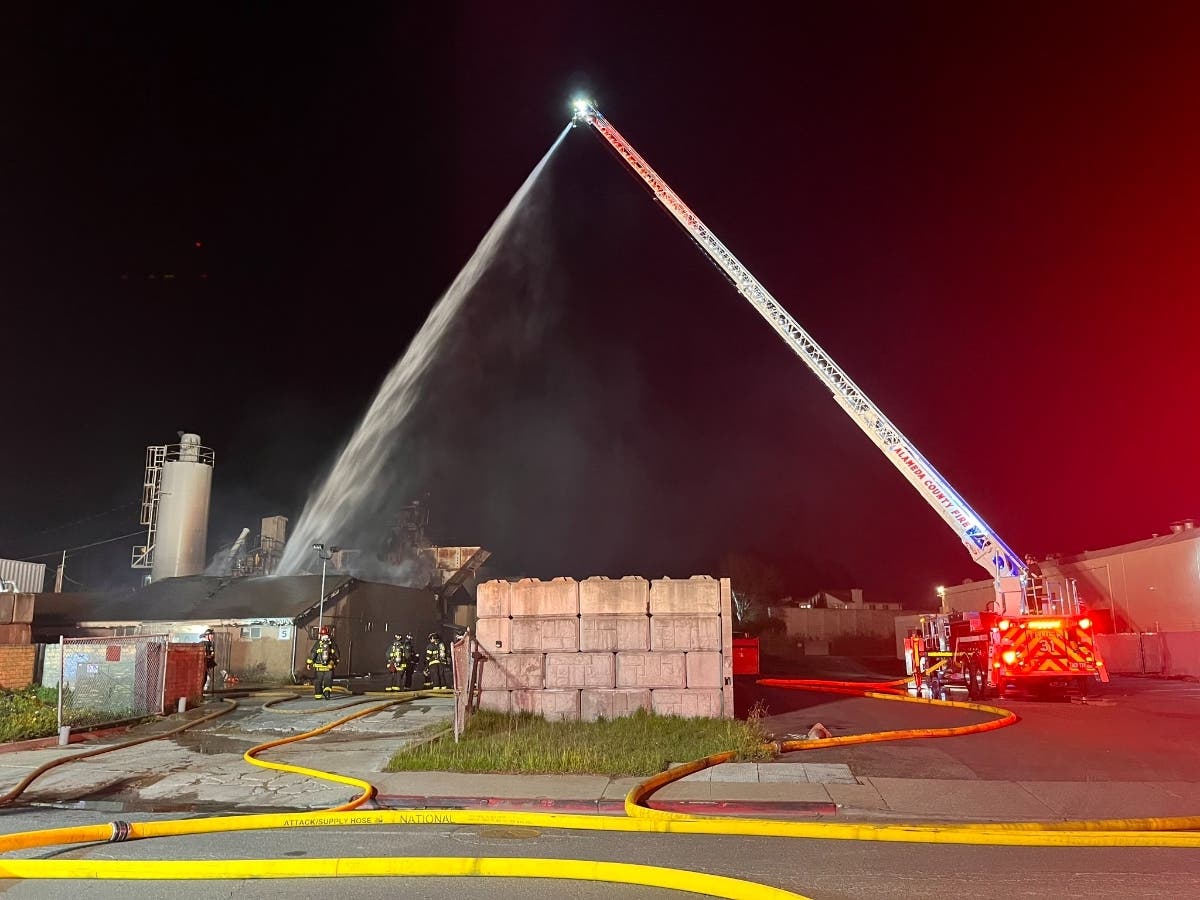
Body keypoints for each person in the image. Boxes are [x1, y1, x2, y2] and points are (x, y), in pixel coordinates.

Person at [305, 626, 340, 700]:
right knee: (328, 680)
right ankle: (327, 692)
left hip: (319, 667)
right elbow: (337, 655)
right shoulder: (332, 644)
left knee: (318, 681)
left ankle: (318, 695)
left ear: (321, 635)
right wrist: (335, 663)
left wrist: (309, 663)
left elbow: (313, 654)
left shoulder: (318, 644)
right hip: (329, 667)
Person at [200, 628, 216, 693]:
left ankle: (202, 693)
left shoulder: (209, 643)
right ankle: (201, 693)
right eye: (211, 635)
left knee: (206, 678)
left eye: (212, 635)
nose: (212, 636)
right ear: (206, 636)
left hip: (205, 665)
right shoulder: (205, 644)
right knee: (205, 679)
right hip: (203, 665)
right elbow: (205, 655)